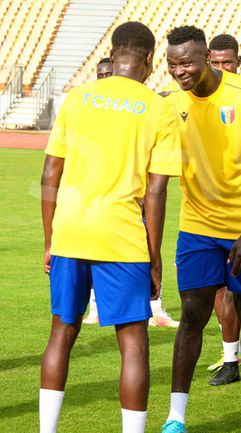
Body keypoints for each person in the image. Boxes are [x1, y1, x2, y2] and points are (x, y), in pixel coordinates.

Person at [35, 21, 181, 433]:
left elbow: (49, 174)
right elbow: (156, 192)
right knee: (133, 343)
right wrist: (154, 257)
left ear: (113, 53)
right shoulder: (160, 110)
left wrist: (51, 239)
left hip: (70, 232)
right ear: (151, 60)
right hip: (122, 237)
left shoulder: (77, 98)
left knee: (61, 333)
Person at [153, 26, 241, 433]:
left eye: (187, 63)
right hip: (197, 228)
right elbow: (157, 175)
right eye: (172, 64)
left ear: (206, 57)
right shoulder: (172, 105)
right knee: (192, 315)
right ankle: (175, 418)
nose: (179, 72)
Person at [84, 57, 180, 329]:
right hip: (99, 201)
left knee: (147, 248)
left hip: (136, 197)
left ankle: (154, 308)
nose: (106, 79)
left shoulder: (143, 107)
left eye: (109, 73)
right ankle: (96, 307)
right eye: (101, 75)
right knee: (96, 252)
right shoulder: (91, 110)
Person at [203, 32, 241, 386]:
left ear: (238, 63)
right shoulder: (198, 97)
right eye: (214, 62)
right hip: (207, 211)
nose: (221, 68)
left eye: (227, 62)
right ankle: (231, 357)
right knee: (217, 287)